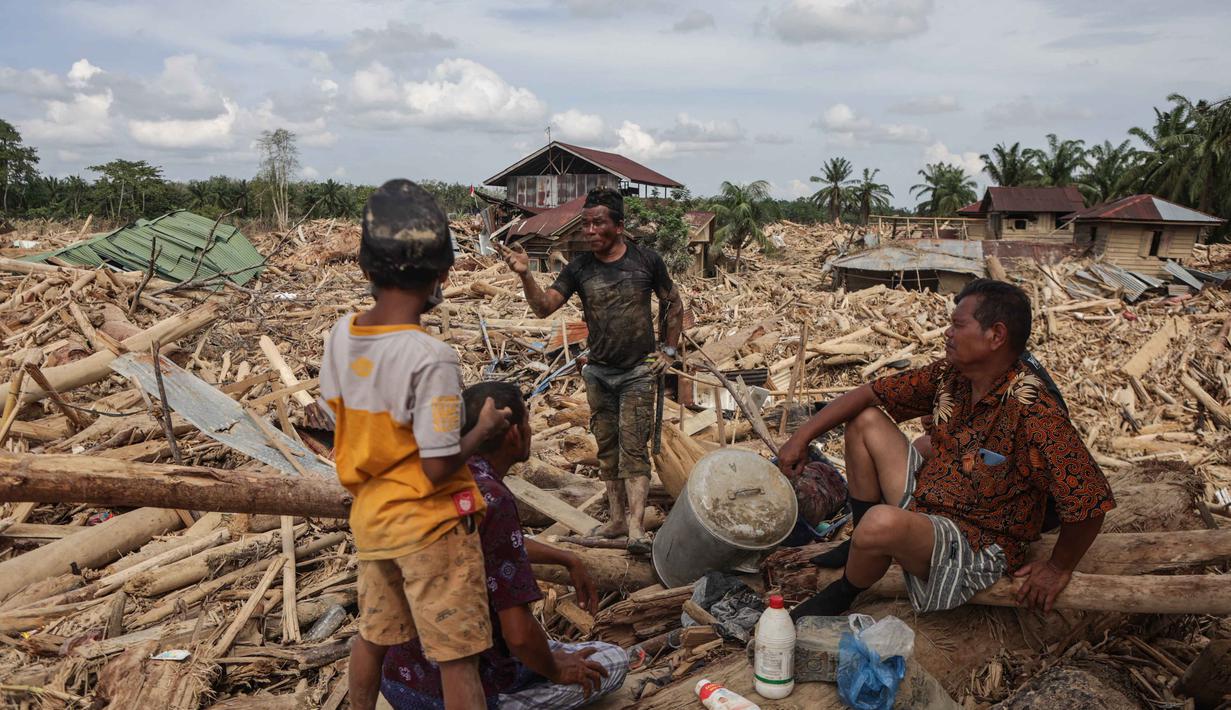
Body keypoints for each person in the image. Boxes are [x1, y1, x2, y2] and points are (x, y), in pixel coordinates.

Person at [777, 279, 1115, 618]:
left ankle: (846, 589)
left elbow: (1090, 499)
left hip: (977, 544)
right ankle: (862, 544)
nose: (947, 333)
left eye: (958, 325)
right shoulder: (951, 376)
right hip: (931, 501)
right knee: (865, 421)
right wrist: (800, 438)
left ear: (996, 335)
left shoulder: (1034, 411)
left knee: (880, 522)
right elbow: (870, 393)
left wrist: (1058, 567)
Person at [320, 179, 512, 710]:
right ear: (443, 275)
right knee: (457, 658)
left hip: (373, 520)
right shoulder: (432, 358)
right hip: (431, 529)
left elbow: (335, 413)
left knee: (373, 636)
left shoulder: (341, 335)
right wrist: (484, 430)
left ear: (366, 268)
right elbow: (437, 465)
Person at [382, 381, 629, 709]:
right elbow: (519, 636)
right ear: (514, 433)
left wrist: (566, 558)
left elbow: (497, 545)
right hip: (451, 693)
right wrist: (557, 670)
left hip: (398, 677)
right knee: (612, 660)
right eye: (527, 421)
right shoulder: (494, 499)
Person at [497, 187, 684, 553]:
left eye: (598, 223)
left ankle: (636, 528)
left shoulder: (646, 261)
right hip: (599, 372)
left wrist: (669, 350)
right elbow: (544, 308)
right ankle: (616, 520)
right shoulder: (580, 267)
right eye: (585, 224)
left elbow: (673, 302)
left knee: (634, 449)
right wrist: (525, 275)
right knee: (607, 448)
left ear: (619, 226)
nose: (590, 231)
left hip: (637, 372)